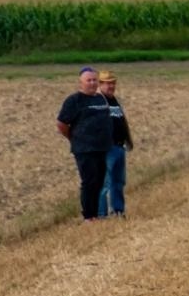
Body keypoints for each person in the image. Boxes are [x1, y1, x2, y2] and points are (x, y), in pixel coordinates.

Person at [56, 67, 113, 222]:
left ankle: (96, 214)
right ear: (81, 82)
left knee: (99, 181)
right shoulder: (74, 101)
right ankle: (88, 216)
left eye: (95, 80)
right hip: (84, 149)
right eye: (89, 80)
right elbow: (61, 124)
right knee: (89, 182)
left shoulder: (100, 99)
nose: (92, 83)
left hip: (102, 148)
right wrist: (74, 138)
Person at [96, 70, 134, 218]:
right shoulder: (98, 101)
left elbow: (122, 122)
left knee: (118, 182)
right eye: (108, 83)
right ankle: (101, 214)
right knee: (104, 183)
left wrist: (128, 141)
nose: (111, 86)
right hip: (106, 147)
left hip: (119, 146)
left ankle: (118, 210)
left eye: (113, 83)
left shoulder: (114, 101)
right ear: (100, 84)